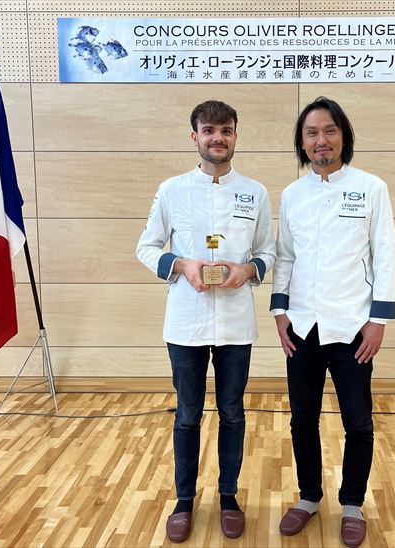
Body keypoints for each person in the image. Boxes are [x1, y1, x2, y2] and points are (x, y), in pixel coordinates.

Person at [137, 100, 275, 543]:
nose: (219, 138)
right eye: (210, 130)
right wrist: (181, 264)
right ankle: (184, 499)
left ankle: (228, 496)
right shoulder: (172, 190)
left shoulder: (255, 192)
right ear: (194, 136)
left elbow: (268, 252)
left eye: (226, 130)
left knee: (233, 412)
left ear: (235, 136)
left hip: (236, 322)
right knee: (188, 414)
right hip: (186, 322)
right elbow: (146, 247)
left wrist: (248, 269)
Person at [271, 97, 395, 548]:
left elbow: (385, 255)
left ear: (343, 136)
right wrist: (280, 313)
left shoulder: (372, 188)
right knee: (302, 420)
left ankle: (352, 505)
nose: (320, 140)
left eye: (329, 130)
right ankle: (308, 497)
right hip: (302, 327)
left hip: (353, 328)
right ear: (302, 142)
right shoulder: (292, 194)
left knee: (358, 423)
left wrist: (378, 319)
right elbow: (285, 256)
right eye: (311, 133)